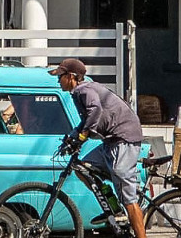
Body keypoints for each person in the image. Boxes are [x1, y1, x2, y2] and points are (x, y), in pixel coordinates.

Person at [50, 58, 146, 238]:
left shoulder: (83, 89)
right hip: (111, 142)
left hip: (124, 138)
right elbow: (86, 120)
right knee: (84, 168)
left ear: (71, 77)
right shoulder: (81, 91)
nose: (58, 80)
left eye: (60, 76)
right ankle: (114, 209)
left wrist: (82, 136)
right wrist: (71, 138)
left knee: (127, 193)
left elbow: (95, 110)